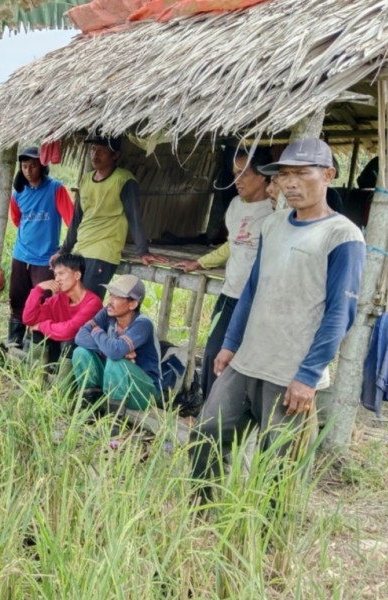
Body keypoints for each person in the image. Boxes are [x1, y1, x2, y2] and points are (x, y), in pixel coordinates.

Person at [190, 138, 366, 494]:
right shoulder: (273, 224)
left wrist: (308, 375)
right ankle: (201, 514)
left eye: (302, 173)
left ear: (328, 175)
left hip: (291, 371)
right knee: (207, 433)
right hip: (248, 360)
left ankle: (269, 539)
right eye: (284, 174)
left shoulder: (342, 235)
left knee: (279, 461)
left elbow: (339, 313)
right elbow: (251, 290)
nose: (291, 183)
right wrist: (229, 344)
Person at [174, 149, 274, 399]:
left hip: (258, 300)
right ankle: (208, 408)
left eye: (243, 174)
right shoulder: (235, 206)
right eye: (234, 174)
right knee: (213, 352)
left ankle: (236, 413)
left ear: (263, 176)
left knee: (246, 359)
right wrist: (200, 262)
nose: (236, 180)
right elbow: (233, 244)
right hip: (230, 296)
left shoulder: (275, 212)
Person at [55, 135, 158, 298]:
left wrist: (143, 251)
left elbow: (134, 217)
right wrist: (64, 250)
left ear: (116, 155)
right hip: (80, 250)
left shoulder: (124, 180)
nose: (95, 155)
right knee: (69, 302)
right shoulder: (86, 179)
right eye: (93, 150)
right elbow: (76, 219)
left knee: (87, 304)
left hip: (102, 253)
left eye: (101, 151)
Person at [7, 146, 74, 349]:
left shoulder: (56, 189)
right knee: (17, 297)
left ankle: (39, 345)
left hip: (45, 258)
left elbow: (71, 219)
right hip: (21, 255)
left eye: (33, 166)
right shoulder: (18, 193)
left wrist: (62, 250)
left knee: (44, 302)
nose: (28, 170)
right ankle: (14, 340)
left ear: (42, 166)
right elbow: (17, 220)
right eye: (24, 166)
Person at [73, 274, 163, 413]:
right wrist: (113, 347)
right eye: (110, 295)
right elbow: (80, 336)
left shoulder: (143, 324)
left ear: (133, 304)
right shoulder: (108, 313)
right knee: (81, 352)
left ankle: (113, 421)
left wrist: (98, 333)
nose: (110, 301)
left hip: (143, 391)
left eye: (117, 297)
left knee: (116, 361)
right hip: (113, 383)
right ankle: (89, 408)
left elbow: (114, 352)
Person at [21, 252, 102, 366]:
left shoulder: (93, 303)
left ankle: (63, 382)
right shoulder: (59, 299)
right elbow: (29, 319)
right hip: (59, 350)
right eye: (55, 274)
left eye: (61, 273)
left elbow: (69, 331)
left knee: (70, 341)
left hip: (82, 361)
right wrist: (38, 289)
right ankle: (38, 377)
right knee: (37, 333)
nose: (57, 279)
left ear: (77, 275)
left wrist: (41, 326)